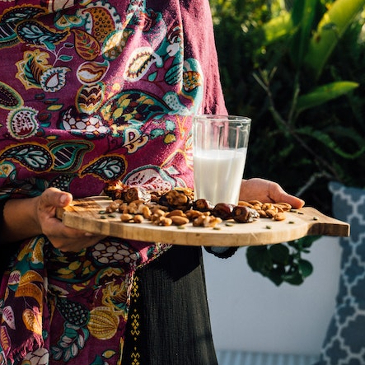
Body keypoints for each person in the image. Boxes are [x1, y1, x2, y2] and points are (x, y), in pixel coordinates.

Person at [0, 1, 305, 364]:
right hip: (29, 321)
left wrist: (226, 198)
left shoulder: (177, 8)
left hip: (166, 310)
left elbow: (201, 153)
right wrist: (34, 216)